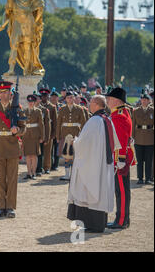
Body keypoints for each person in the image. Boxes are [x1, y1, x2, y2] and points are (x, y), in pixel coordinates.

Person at [67, 95, 119, 233]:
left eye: (91, 102)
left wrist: (75, 142)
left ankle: (92, 224)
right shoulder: (107, 119)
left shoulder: (94, 121)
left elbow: (83, 144)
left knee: (90, 190)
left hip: (93, 164)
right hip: (103, 163)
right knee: (101, 191)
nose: (89, 105)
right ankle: (98, 223)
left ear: (96, 104)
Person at [0, 81, 26, 218]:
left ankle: (10, 207)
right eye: (1, 92)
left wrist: (17, 131)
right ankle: (1, 207)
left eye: (6, 92)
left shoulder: (17, 108)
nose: (3, 95)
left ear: (11, 93)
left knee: (12, 179)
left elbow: (24, 128)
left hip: (12, 147)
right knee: (1, 179)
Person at [106, 87, 136, 230]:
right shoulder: (121, 112)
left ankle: (121, 220)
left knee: (122, 191)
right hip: (120, 158)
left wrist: (121, 159)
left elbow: (122, 139)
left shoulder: (119, 115)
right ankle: (123, 219)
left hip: (120, 159)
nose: (107, 101)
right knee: (121, 190)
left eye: (109, 99)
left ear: (117, 101)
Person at [56, 91, 86, 181]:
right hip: (65, 135)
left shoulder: (80, 109)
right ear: (65, 99)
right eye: (68, 98)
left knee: (75, 156)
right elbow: (58, 124)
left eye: (71, 97)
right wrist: (58, 136)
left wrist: (82, 137)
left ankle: (74, 174)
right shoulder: (62, 109)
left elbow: (83, 123)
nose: (70, 99)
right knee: (66, 155)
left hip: (75, 135)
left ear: (74, 98)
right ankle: (67, 174)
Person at [132, 91, 154, 185]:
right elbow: (133, 125)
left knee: (149, 160)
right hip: (139, 137)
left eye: (146, 100)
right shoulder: (135, 111)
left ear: (149, 101)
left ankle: (148, 178)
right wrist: (132, 137)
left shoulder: (152, 110)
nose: (144, 101)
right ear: (140, 100)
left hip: (150, 137)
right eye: (143, 99)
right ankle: (140, 178)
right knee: (139, 160)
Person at [22, 94, 44, 180]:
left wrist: (42, 136)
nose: (30, 103)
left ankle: (34, 172)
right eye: (29, 102)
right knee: (27, 155)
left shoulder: (38, 111)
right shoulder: (24, 111)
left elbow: (41, 125)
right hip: (26, 136)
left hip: (35, 136)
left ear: (34, 103)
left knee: (34, 155)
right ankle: (28, 173)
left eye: (32, 102)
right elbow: (22, 124)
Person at [39, 87, 57, 174]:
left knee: (48, 151)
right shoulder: (38, 106)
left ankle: (47, 167)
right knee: (39, 151)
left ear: (48, 96)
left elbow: (55, 121)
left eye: (45, 96)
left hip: (48, 131)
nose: (44, 98)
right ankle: (39, 167)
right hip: (39, 132)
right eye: (42, 96)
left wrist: (53, 133)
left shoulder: (52, 107)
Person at [35, 92, 50, 176]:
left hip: (40, 135)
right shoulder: (31, 109)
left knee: (40, 153)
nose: (36, 100)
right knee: (32, 153)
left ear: (40, 100)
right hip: (32, 135)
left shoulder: (44, 110)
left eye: (37, 98)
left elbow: (47, 125)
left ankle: (39, 169)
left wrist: (46, 137)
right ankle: (33, 168)